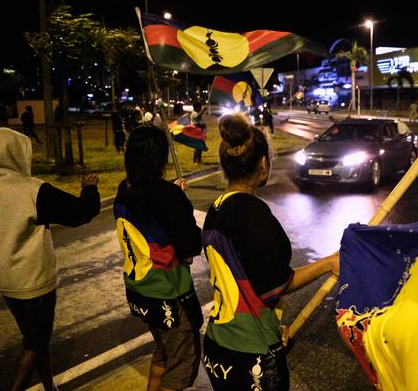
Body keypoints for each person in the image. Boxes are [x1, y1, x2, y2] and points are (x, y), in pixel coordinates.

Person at [202, 113, 339, 390]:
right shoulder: (253, 213)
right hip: (250, 354)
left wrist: (271, 328)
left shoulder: (216, 209)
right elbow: (273, 286)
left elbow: (244, 280)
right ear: (263, 164)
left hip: (218, 344)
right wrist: (327, 264)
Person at [0, 128, 100, 391]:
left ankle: (50, 386)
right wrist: (90, 189)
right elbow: (80, 213)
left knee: (37, 338)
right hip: (34, 280)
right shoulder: (32, 190)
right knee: (35, 342)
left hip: (5, 279)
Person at [113, 125, 203, 391]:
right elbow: (190, 246)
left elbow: (150, 212)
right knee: (180, 368)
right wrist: (178, 200)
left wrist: (172, 193)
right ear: (160, 158)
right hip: (170, 295)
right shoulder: (167, 196)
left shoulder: (125, 189)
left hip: (141, 290)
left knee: (163, 352)